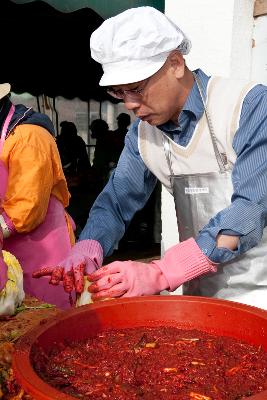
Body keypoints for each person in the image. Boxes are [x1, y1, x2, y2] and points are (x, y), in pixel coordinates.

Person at [33, 7, 267, 309]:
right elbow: (117, 200)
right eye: (119, 93)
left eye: (137, 89)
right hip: (203, 294)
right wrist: (88, 250)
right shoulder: (143, 135)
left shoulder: (248, 106)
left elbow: (251, 207)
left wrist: (162, 272)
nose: (129, 104)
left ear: (175, 63)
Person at [0, 83, 80, 309]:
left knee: (45, 321)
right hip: (10, 251)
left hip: (43, 252)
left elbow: (27, 208)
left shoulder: (28, 136)